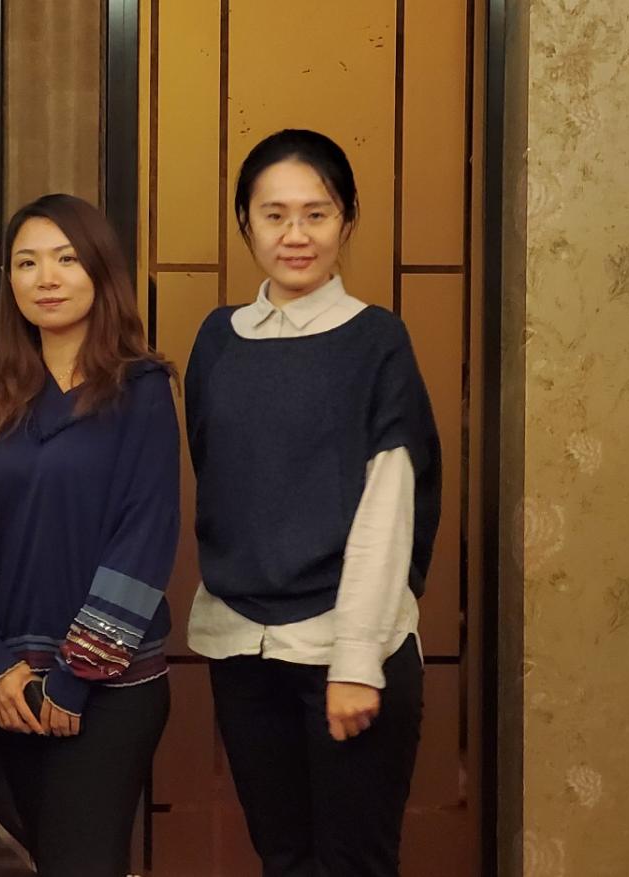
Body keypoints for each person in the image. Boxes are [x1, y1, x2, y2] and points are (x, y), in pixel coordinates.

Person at [184, 128, 441, 876]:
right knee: (283, 858)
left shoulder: (375, 341)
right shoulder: (218, 339)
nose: (295, 235)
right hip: (240, 647)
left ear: (347, 220)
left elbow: (391, 508)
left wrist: (356, 659)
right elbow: (218, 475)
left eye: (316, 214)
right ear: (245, 222)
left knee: (353, 864)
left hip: (347, 646)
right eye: (274, 215)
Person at [0, 194, 178, 876]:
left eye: (65, 259)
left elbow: (145, 536)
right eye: (26, 263)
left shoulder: (140, 387)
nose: (46, 278)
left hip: (108, 687)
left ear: (99, 270)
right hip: (13, 683)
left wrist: (75, 676)